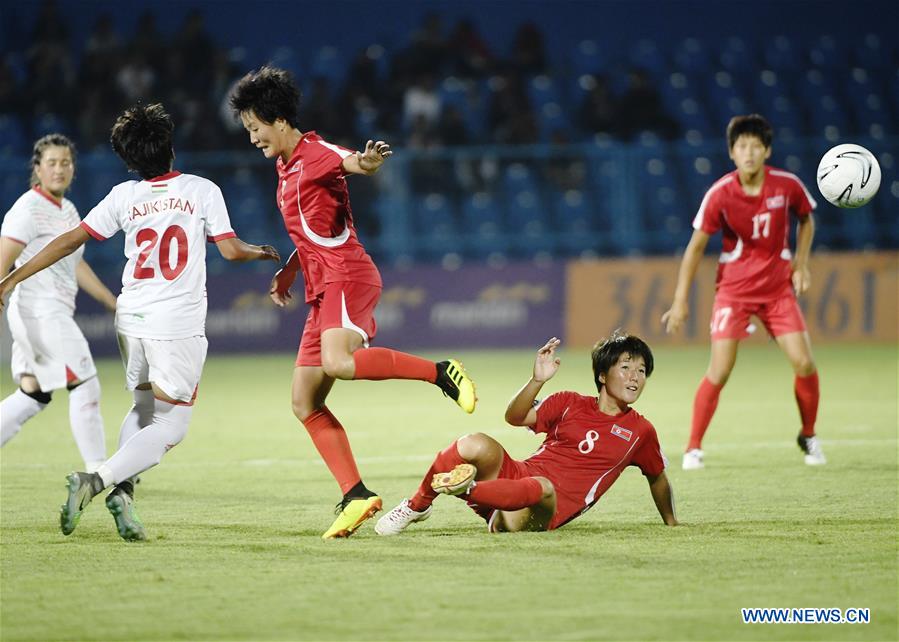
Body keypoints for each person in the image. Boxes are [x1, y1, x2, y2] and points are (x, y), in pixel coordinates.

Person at [0, 104, 280, 541]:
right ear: (170, 146)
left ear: (129, 159)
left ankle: (124, 495)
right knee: (172, 425)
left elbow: (68, 242)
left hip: (131, 319)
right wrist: (261, 251)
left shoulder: (123, 196)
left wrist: (11, 278)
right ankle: (96, 479)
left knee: (144, 407)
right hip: (176, 324)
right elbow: (230, 250)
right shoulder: (200, 189)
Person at [229, 66, 477, 539]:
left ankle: (441, 372)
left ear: (278, 120)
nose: (252, 138)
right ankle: (355, 495)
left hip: (348, 275)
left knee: (339, 363)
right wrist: (290, 271)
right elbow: (311, 232)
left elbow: (354, 163)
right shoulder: (284, 167)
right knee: (304, 402)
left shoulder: (316, 153)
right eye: (247, 130)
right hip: (322, 286)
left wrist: (369, 161)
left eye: (255, 127)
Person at [376, 335, 678, 535]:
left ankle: (464, 489)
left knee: (543, 487)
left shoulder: (641, 431)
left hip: (542, 510)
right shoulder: (569, 402)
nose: (635, 377)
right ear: (602, 375)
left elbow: (657, 477)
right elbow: (515, 417)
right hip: (513, 479)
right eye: (626, 367)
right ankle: (416, 506)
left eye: (641, 371)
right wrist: (537, 380)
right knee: (474, 442)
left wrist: (671, 522)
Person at [660, 114, 824, 470]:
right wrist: (680, 300)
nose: (748, 152)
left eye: (755, 146)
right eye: (741, 146)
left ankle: (809, 435)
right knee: (720, 370)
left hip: (777, 290)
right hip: (734, 292)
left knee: (804, 362)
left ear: (767, 151)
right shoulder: (720, 194)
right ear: (732, 152)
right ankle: (693, 447)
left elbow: (806, 218)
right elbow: (695, 248)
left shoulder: (787, 185)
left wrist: (801, 263)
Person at [1, 134, 117, 472]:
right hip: (39, 311)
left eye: (65, 162)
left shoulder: (67, 210)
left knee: (33, 394)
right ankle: (98, 472)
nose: (59, 169)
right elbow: (4, 258)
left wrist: (109, 300)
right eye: (51, 163)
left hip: (47, 312)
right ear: (37, 169)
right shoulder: (28, 209)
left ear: (73, 169)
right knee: (85, 382)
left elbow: (74, 262)